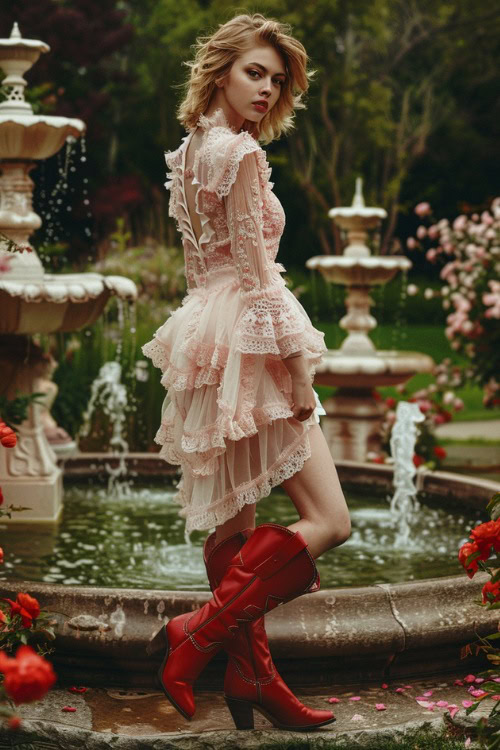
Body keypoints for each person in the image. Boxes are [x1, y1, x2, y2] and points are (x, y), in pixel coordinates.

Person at [143, 12, 351, 732]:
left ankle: (252, 677)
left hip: (206, 335)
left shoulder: (191, 147)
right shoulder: (240, 156)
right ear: (222, 69)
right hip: (250, 340)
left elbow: (213, 268)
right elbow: (260, 280)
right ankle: (196, 636)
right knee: (331, 519)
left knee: (233, 527)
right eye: (254, 73)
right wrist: (299, 378)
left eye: (276, 80)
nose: (266, 89)